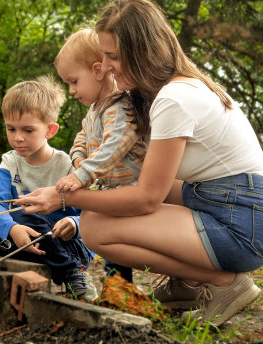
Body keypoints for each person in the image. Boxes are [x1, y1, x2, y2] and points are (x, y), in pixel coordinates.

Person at [16, 0, 263, 326]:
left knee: (96, 227)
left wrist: (63, 198)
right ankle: (189, 284)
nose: (106, 65)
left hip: (243, 226)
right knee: (117, 195)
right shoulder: (177, 89)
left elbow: (146, 199)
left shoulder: (173, 100)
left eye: (112, 57)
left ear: (142, 50)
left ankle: (224, 282)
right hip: (239, 206)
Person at [0, 75, 97, 301]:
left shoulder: (68, 165)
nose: (18, 138)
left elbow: (90, 213)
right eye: (11, 129)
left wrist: (74, 223)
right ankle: (36, 265)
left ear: (50, 130)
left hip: (67, 244)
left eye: (28, 131)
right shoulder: (10, 162)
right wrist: (11, 229)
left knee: (25, 212)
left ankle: (73, 271)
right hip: (29, 237)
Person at [53, 28, 151, 283]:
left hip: (133, 189)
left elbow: (114, 147)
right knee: (105, 238)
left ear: (97, 71)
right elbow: (82, 138)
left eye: (73, 81)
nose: (72, 91)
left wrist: (83, 174)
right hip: (113, 189)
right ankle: (117, 286)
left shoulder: (120, 107)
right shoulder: (96, 110)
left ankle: (119, 285)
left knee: (108, 234)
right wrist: (78, 160)